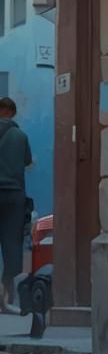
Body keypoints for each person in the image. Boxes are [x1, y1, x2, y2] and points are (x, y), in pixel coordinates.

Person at [0, 98, 32, 314]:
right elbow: (28, 162)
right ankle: (6, 298)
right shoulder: (20, 136)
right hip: (13, 195)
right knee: (12, 244)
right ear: (11, 112)